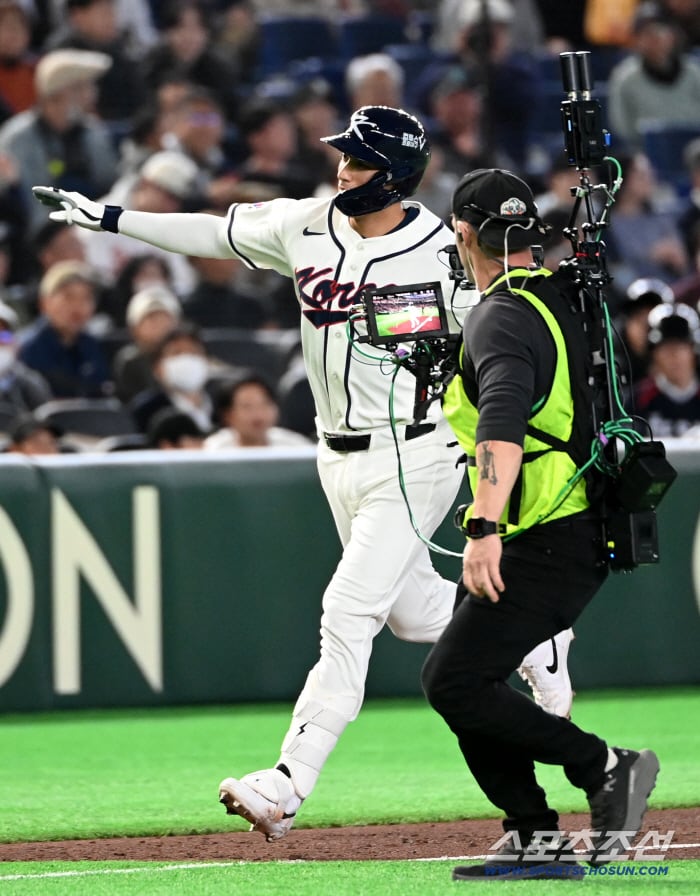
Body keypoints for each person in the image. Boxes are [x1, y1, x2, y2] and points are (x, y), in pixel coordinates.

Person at [32, 105, 575, 842]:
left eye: (358, 161)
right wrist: (111, 217)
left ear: (397, 175)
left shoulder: (443, 253)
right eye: (344, 156)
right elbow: (211, 230)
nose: (343, 169)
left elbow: (507, 329)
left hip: (415, 451)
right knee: (414, 613)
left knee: (347, 610)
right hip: (334, 453)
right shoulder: (305, 225)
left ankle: (288, 782)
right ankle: (535, 640)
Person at [421, 167, 659, 881]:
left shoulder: (497, 314)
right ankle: (532, 835)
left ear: (463, 234)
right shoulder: (560, 295)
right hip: (580, 523)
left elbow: (502, 424)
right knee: (468, 676)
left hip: (544, 531)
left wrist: (481, 525)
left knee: (453, 683)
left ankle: (605, 767)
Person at [18, 259, 112, 398]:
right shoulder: (26, 347)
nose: (77, 306)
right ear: (45, 303)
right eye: (68, 296)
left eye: (86, 298)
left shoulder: (92, 346)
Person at [634, 302, 700, 437]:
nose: (673, 355)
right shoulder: (637, 401)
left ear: (694, 350)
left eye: (680, 346)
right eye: (666, 348)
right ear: (653, 354)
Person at [204, 372, 313, 449]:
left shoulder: (296, 447)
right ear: (227, 415)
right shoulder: (213, 450)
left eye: (265, 404)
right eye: (247, 406)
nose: (258, 414)